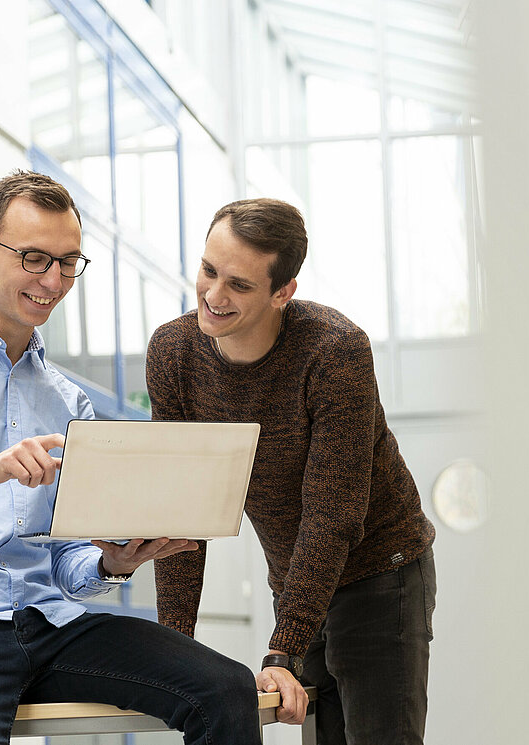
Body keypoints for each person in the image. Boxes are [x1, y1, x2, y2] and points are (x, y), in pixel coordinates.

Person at [0, 171, 260, 745]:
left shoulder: (69, 400)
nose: (54, 280)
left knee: (225, 688)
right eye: (35, 258)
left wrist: (113, 564)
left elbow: (66, 560)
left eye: (69, 262)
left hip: (50, 626)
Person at [146, 198, 438, 745]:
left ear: (284, 292)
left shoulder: (333, 351)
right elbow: (181, 512)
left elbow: (334, 514)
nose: (212, 296)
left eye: (238, 284)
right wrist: (173, 650)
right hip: (295, 579)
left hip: (381, 572)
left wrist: (283, 648)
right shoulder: (174, 352)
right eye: (209, 270)